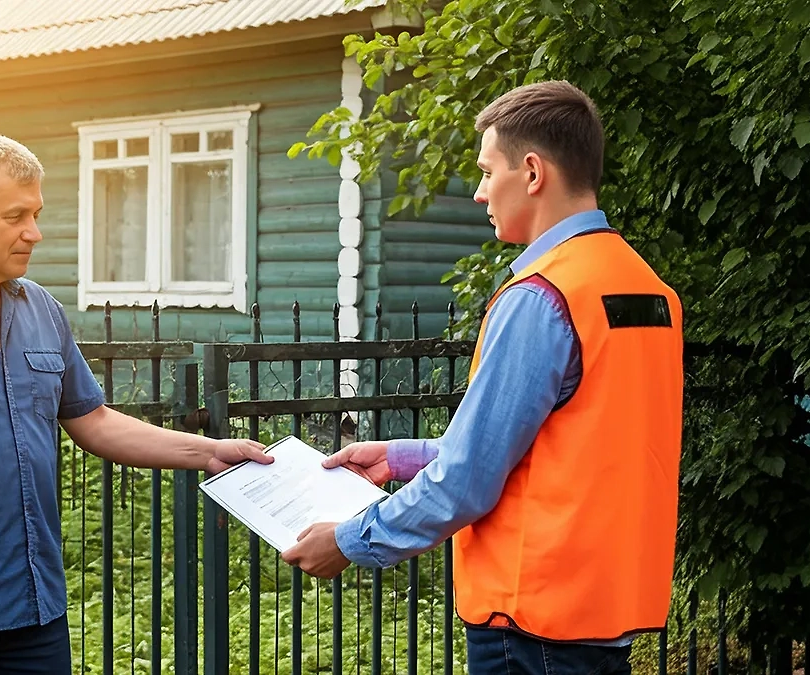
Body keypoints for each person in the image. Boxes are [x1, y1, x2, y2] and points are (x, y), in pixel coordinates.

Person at [0, 132, 271, 675]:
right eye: (15, 216)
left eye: (35, 214)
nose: (34, 233)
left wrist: (208, 452)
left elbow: (94, 420)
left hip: (36, 613)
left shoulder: (43, 311)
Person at [281, 81, 684, 675]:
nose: (477, 193)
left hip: (530, 628)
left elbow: (467, 480)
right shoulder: (647, 289)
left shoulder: (542, 298)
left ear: (531, 171)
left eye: (486, 172)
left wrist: (347, 542)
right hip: (604, 616)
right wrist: (400, 457)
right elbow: (562, 450)